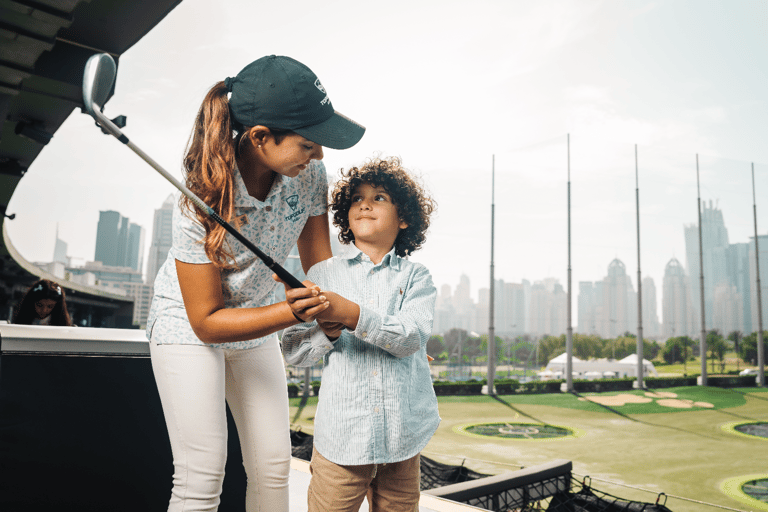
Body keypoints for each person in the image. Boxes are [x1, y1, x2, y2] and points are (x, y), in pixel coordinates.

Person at [145, 55, 364, 511]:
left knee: (272, 464)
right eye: (308, 144)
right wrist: (291, 312)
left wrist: (356, 314)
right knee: (202, 475)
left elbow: (319, 264)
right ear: (261, 138)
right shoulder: (198, 198)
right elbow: (205, 321)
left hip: (260, 319)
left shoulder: (308, 177)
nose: (319, 155)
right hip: (188, 327)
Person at [280, 156, 439, 512]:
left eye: (380, 197)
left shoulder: (417, 278)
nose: (365, 203)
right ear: (345, 215)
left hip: (402, 441)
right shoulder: (323, 274)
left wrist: (350, 314)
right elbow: (294, 352)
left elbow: (410, 337)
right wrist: (326, 331)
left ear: (404, 218)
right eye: (356, 198)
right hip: (342, 442)